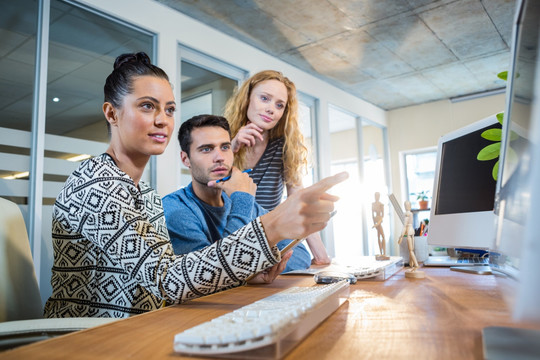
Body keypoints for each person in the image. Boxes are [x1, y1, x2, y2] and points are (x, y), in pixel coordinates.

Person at [43, 52, 347, 318]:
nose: (162, 120)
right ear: (112, 113)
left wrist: (248, 276)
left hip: (145, 327)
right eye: (147, 106)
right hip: (92, 340)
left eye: (170, 109)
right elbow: (168, 281)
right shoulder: (97, 184)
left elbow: (175, 273)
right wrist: (272, 224)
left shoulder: (145, 195)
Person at [162, 115, 311, 272]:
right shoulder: (174, 209)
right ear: (186, 159)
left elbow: (299, 255)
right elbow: (212, 274)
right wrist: (242, 199)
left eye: (225, 147)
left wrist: (245, 270)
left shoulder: (248, 206)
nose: (220, 158)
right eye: (206, 149)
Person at [224, 70, 331, 265]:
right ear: (247, 99)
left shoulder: (284, 146)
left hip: (269, 233)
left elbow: (299, 199)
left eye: (279, 105)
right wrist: (231, 148)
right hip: (229, 232)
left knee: (298, 261)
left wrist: (321, 255)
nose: (271, 109)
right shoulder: (223, 138)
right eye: (264, 98)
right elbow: (205, 189)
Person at [398, 201, 424, 278]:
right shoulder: (411, 213)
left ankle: (415, 265)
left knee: (410, 250)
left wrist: (401, 236)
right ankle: (411, 265)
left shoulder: (406, 214)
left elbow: (405, 226)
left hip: (408, 231)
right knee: (412, 249)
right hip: (412, 231)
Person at [372, 192, 389, 260]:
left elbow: (382, 215)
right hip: (376, 220)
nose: (376, 197)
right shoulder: (373, 204)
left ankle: (384, 252)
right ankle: (381, 252)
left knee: (383, 236)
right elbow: (372, 215)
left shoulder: (381, 205)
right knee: (378, 236)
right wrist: (375, 223)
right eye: (375, 196)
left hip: (379, 220)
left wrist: (377, 223)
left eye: (377, 196)